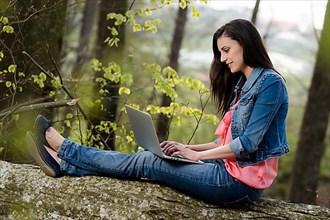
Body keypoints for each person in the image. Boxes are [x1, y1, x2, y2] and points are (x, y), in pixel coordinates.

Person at [26, 19, 289, 206]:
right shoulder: (244, 85)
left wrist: (196, 155)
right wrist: (187, 148)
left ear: (245, 44)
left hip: (237, 185)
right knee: (149, 155)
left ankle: (64, 149)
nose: (222, 59)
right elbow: (224, 143)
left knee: (149, 163)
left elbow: (246, 144)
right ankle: (64, 164)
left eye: (226, 50)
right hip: (226, 168)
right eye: (220, 52)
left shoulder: (271, 84)